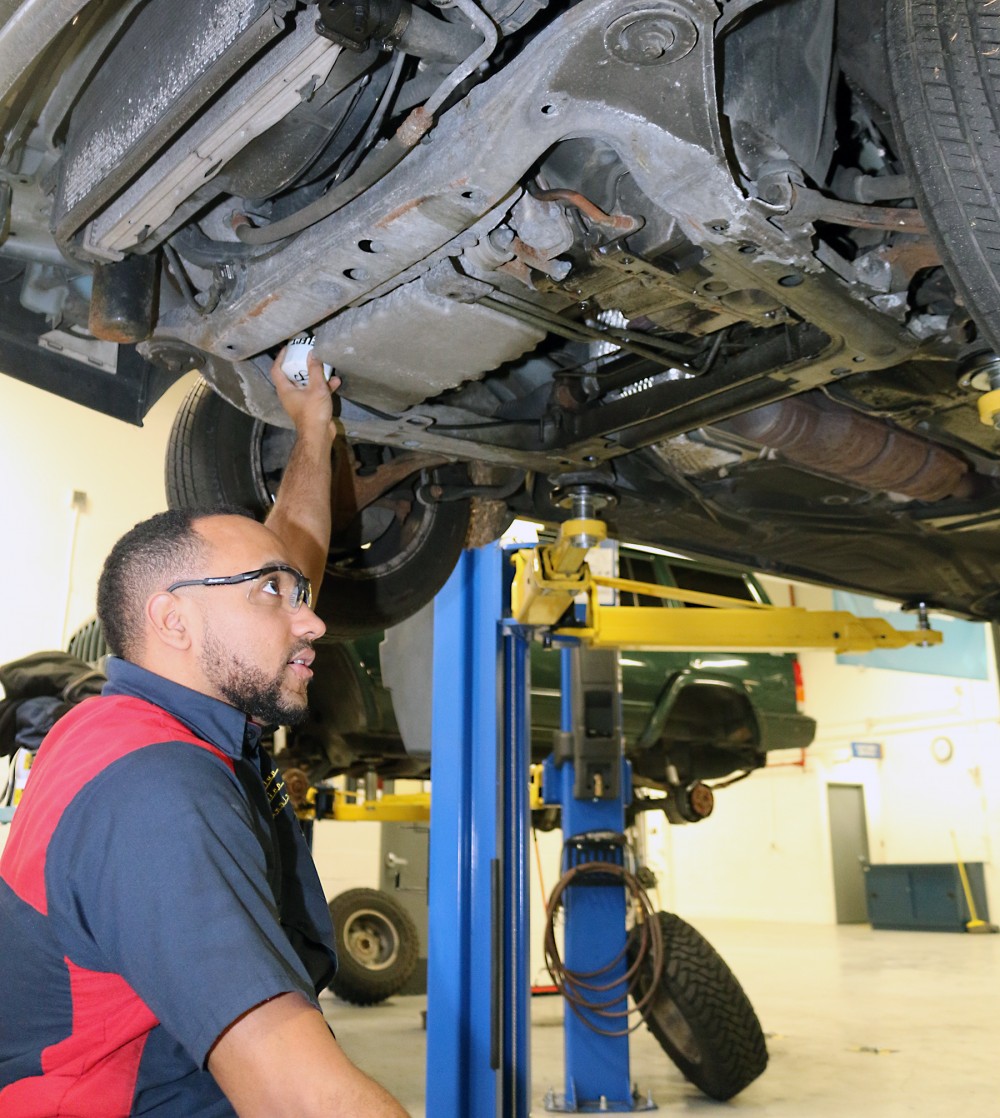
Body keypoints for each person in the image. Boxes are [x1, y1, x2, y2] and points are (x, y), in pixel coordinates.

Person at [0, 352, 410, 1117]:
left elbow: (294, 545)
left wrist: (313, 431)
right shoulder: (158, 792)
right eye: (271, 593)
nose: (315, 619)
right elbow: (301, 1096)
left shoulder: (134, 718)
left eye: (296, 593)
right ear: (174, 621)